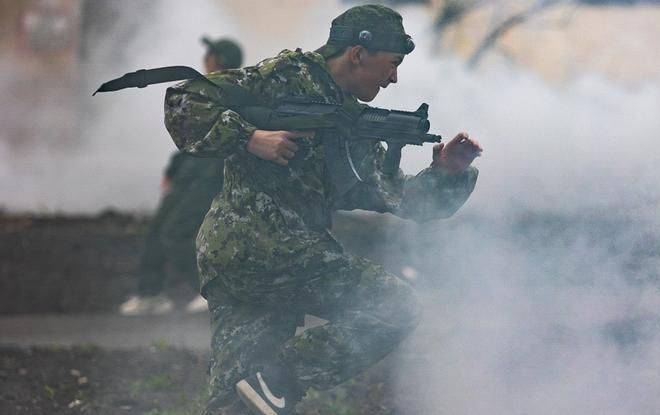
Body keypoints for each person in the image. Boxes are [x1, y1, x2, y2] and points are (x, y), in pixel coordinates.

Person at [164, 5, 482, 414]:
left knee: (243, 401)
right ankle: (280, 377)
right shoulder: (287, 75)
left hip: (240, 259)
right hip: (267, 248)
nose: (394, 77)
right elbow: (184, 101)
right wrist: (249, 138)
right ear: (357, 53)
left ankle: (268, 383)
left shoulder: (352, 119)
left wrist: (447, 172)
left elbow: (397, 197)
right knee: (393, 306)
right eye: (392, 63)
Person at [119, 37, 244, 316]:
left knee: (179, 230)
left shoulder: (234, 90)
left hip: (210, 170)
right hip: (190, 167)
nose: (205, 58)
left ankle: (213, 292)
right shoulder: (202, 88)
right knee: (159, 228)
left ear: (219, 59)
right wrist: (173, 171)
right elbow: (187, 132)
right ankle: (149, 293)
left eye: (210, 54)